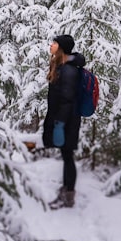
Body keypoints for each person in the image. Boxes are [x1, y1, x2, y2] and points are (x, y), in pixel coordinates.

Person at [42, 34, 84, 209]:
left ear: (62, 49)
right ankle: (67, 189)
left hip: (67, 121)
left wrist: (59, 124)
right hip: (65, 120)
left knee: (68, 156)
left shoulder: (68, 70)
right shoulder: (62, 66)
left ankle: (68, 196)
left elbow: (67, 100)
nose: (51, 45)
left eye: (54, 43)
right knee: (67, 156)